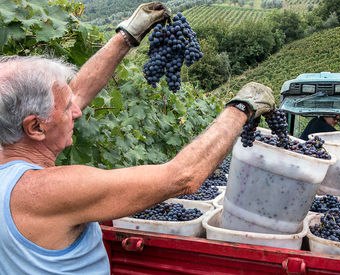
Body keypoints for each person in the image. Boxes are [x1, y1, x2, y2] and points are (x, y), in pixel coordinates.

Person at [0, 2, 275, 274]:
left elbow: (75, 94)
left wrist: (127, 36)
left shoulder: (9, 153)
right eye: (66, 108)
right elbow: (183, 176)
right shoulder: (47, 192)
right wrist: (241, 109)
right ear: (36, 127)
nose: (77, 112)